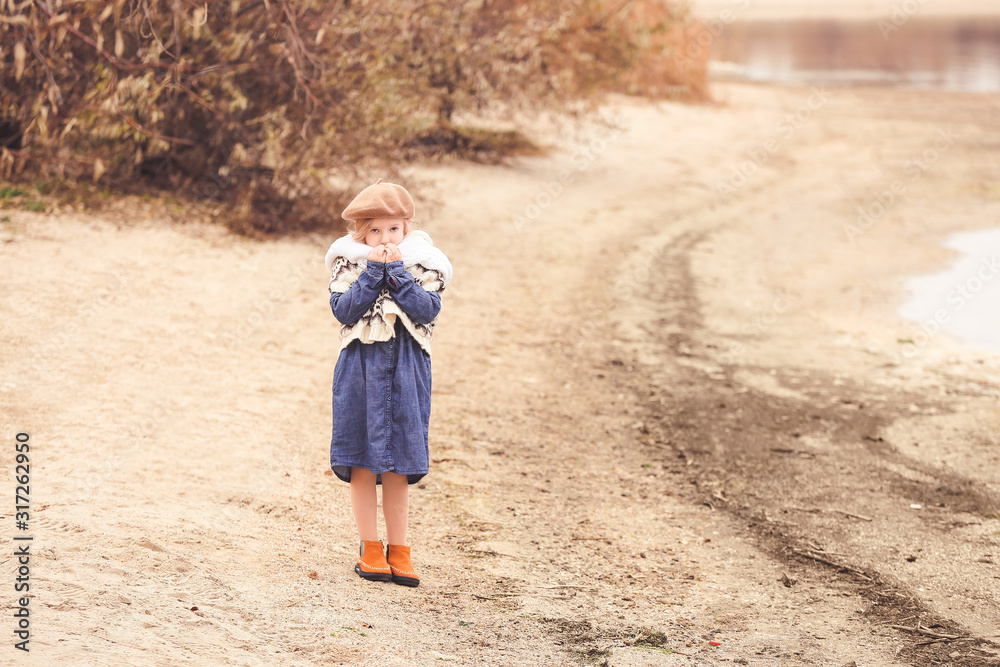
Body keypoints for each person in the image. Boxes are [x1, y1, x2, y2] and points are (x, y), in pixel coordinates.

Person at [324, 178, 452, 588]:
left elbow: (427, 310)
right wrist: (372, 273)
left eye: (393, 229)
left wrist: (395, 272)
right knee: (362, 457)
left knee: (398, 460)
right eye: (374, 230)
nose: (384, 237)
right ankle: (370, 546)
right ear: (361, 233)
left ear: (406, 228)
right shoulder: (349, 262)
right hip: (360, 365)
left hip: (408, 367)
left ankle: (400, 550)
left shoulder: (426, 263)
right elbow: (344, 311)